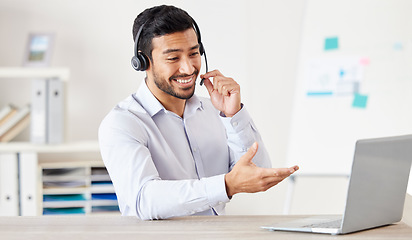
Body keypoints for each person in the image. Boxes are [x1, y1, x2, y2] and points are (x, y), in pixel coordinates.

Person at [98, 5, 298, 220]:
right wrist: (225, 185)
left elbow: (258, 171)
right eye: (173, 58)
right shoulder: (123, 123)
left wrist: (233, 116)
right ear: (143, 61)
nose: (188, 68)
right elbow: (143, 200)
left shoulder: (214, 110)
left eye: (193, 53)